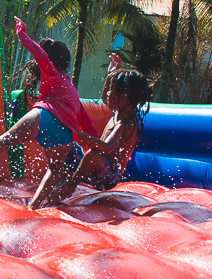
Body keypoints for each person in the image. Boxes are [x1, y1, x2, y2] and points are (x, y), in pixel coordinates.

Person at [0, 17, 98, 208]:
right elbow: (86, 123)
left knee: (6, 139)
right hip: (64, 131)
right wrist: (90, 151)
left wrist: (22, 35)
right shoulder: (71, 90)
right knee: (55, 170)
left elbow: (41, 56)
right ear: (67, 63)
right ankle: (34, 205)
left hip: (44, 115)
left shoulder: (52, 75)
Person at [52, 62, 152, 200]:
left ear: (128, 97)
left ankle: (70, 185)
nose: (109, 94)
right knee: (66, 145)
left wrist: (76, 133)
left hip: (108, 178)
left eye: (114, 91)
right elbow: (105, 98)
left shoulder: (125, 124)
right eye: (110, 89)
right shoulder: (119, 111)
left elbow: (106, 148)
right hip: (93, 169)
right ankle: (61, 180)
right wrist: (110, 75)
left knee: (93, 155)